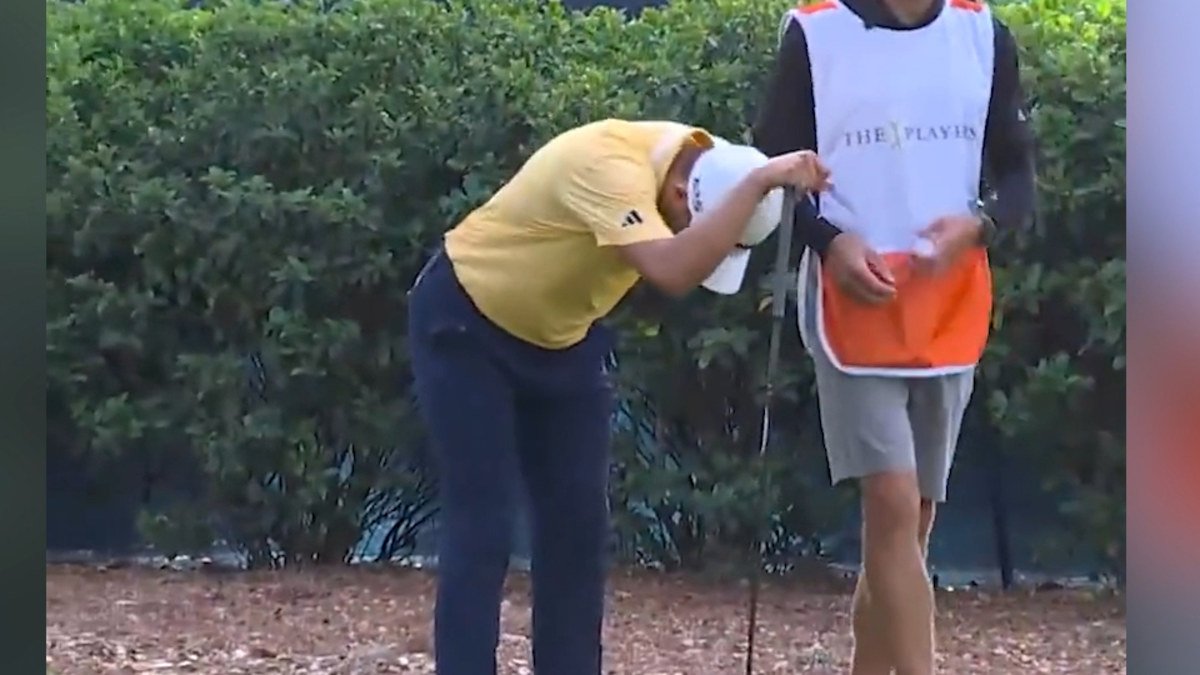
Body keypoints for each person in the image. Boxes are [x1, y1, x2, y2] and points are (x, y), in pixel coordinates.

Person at [405, 118, 830, 675]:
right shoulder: (607, 164)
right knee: (483, 522)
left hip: (562, 337)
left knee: (578, 530)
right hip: (467, 322)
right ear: (678, 196)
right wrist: (757, 183)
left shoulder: (701, 159)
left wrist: (760, 187)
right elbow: (672, 270)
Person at [751, 1, 1036, 674]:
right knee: (892, 504)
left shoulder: (983, 34)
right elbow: (768, 169)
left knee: (909, 526)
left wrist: (980, 226)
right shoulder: (815, 32)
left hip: (947, 309)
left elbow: (1018, 175)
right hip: (851, 305)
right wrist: (830, 241)